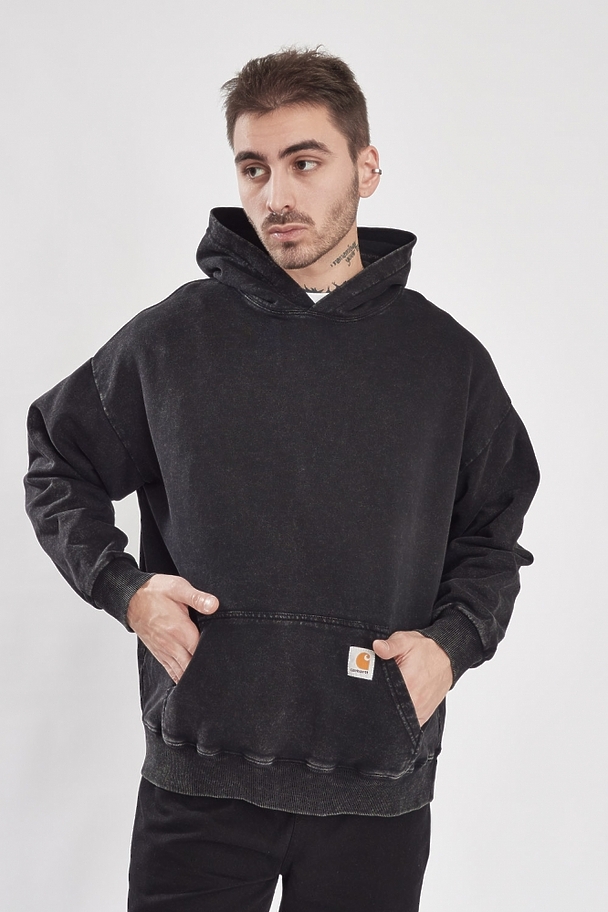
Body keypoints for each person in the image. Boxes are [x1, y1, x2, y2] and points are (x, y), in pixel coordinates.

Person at [24, 47, 540, 912]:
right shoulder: (171, 340)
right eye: (254, 168)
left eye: (305, 163)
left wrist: (451, 645)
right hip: (199, 780)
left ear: (365, 169)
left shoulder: (444, 361)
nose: (276, 197)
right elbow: (58, 459)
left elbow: (494, 530)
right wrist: (127, 590)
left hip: (375, 784)